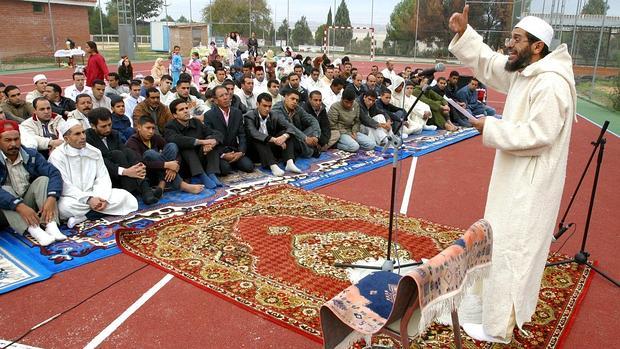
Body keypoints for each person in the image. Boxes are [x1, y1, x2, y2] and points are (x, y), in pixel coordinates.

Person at [448, 7, 576, 343]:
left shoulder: (550, 83)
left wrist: (489, 127)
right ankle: (489, 309)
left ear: (537, 47)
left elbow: (540, 133)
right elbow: (491, 64)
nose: (509, 44)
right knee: (497, 244)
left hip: (529, 188)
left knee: (513, 253)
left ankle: (500, 327)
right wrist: (465, 33)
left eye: (517, 39)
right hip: (514, 180)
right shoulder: (526, 71)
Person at [49, 119, 138, 227]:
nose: (83, 137)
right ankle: (96, 212)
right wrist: (88, 199)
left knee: (126, 197)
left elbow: (102, 177)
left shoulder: (94, 152)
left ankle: (86, 216)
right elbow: (65, 185)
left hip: (96, 194)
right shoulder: (57, 156)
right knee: (63, 207)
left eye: (83, 132)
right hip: (73, 198)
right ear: (66, 139)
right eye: (77, 134)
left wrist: (102, 197)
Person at [0, 120, 66, 246]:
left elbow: (54, 174)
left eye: (16, 139)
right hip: (4, 210)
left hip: (27, 202)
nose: (13, 144)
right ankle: (35, 230)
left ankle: (50, 224)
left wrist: (52, 198)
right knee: (5, 190)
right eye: (7, 140)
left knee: (43, 180)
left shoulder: (31, 154)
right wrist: (19, 206)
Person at [85, 108, 160, 205]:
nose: (108, 129)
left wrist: (139, 166)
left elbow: (126, 152)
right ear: (93, 126)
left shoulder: (114, 134)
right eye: (103, 126)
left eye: (109, 125)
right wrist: (125, 171)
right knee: (117, 154)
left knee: (128, 152)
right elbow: (101, 162)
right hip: (105, 174)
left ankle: (146, 191)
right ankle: (137, 191)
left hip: (123, 171)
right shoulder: (87, 138)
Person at [127, 116, 204, 194]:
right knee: (150, 153)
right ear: (139, 127)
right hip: (145, 175)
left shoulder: (154, 137)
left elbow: (176, 153)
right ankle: (183, 186)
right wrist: (166, 164)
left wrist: (173, 167)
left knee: (172, 146)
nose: (151, 131)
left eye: (153, 128)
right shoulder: (132, 142)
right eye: (148, 128)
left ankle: (162, 183)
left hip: (160, 172)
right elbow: (140, 164)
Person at [164, 99, 222, 189]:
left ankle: (211, 174)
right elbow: (176, 139)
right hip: (184, 164)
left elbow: (216, 133)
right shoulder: (170, 126)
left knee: (210, 142)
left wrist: (212, 142)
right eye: (181, 109)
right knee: (186, 146)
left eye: (186, 108)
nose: (186, 111)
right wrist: (201, 142)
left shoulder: (196, 122)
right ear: (175, 115)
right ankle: (201, 176)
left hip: (200, 158)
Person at [244, 93, 300, 177]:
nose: (267, 109)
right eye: (264, 106)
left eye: (269, 106)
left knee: (285, 134)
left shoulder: (273, 114)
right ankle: (273, 166)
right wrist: (274, 139)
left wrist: (283, 137)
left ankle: (289, 163)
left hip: (271, 147)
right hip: (255, 151)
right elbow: (253, 133)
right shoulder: (249, 116)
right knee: (259, 140)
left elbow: (290, 127)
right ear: (257, 104)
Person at [204, 86, 254, 175]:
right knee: (225, 170)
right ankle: (227, 163)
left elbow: (242, 135)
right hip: (220, 152)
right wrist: (223, 155)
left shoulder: (237, 113)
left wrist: (241, 152)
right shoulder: (209, 115)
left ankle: (234, 161)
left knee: (249, 167)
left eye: (226, 94)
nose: (225, 97)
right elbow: (210, 139)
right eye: (221, 96)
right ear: (215, 100)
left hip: (235, 150)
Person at [272, 89, 320, 158]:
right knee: (290, 134)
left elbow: (312, 120)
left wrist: (316, 136)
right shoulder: (277, 109)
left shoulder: (297, 108)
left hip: (298, 135)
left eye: (297, 100)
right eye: (292, 99)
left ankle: (301, 149)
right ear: (285, 97)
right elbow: (288, 126)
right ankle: (310, 151)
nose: (295, 102)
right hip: (283, 139)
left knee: (313, 128)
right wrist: (305, 138)